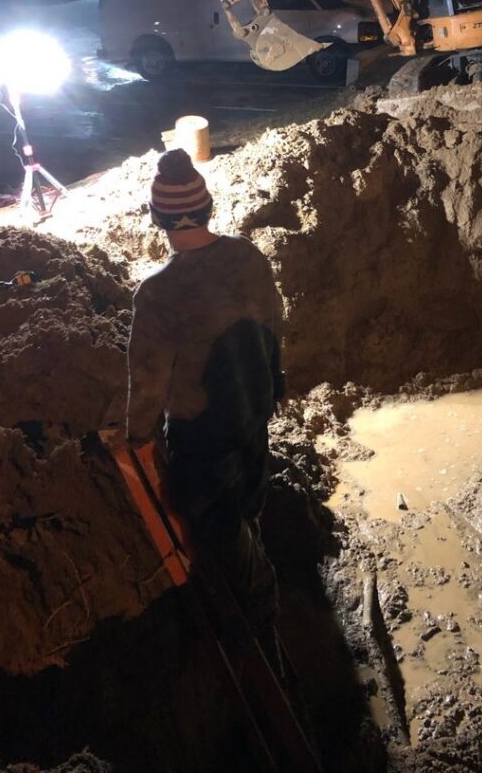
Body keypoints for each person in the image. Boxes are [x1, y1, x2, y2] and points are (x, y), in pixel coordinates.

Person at [126, 148, 285, 636]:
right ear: (208, 208)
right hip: (254, 414)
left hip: (203, 440)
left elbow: (147, 382)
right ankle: (252, 546)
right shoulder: (248, 257)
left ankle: (260, 614)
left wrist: (134, 437)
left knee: (219, 531)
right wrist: (274, 386)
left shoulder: (157, 294)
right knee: (248, 504)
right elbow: (276, 326)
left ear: (160, 219)